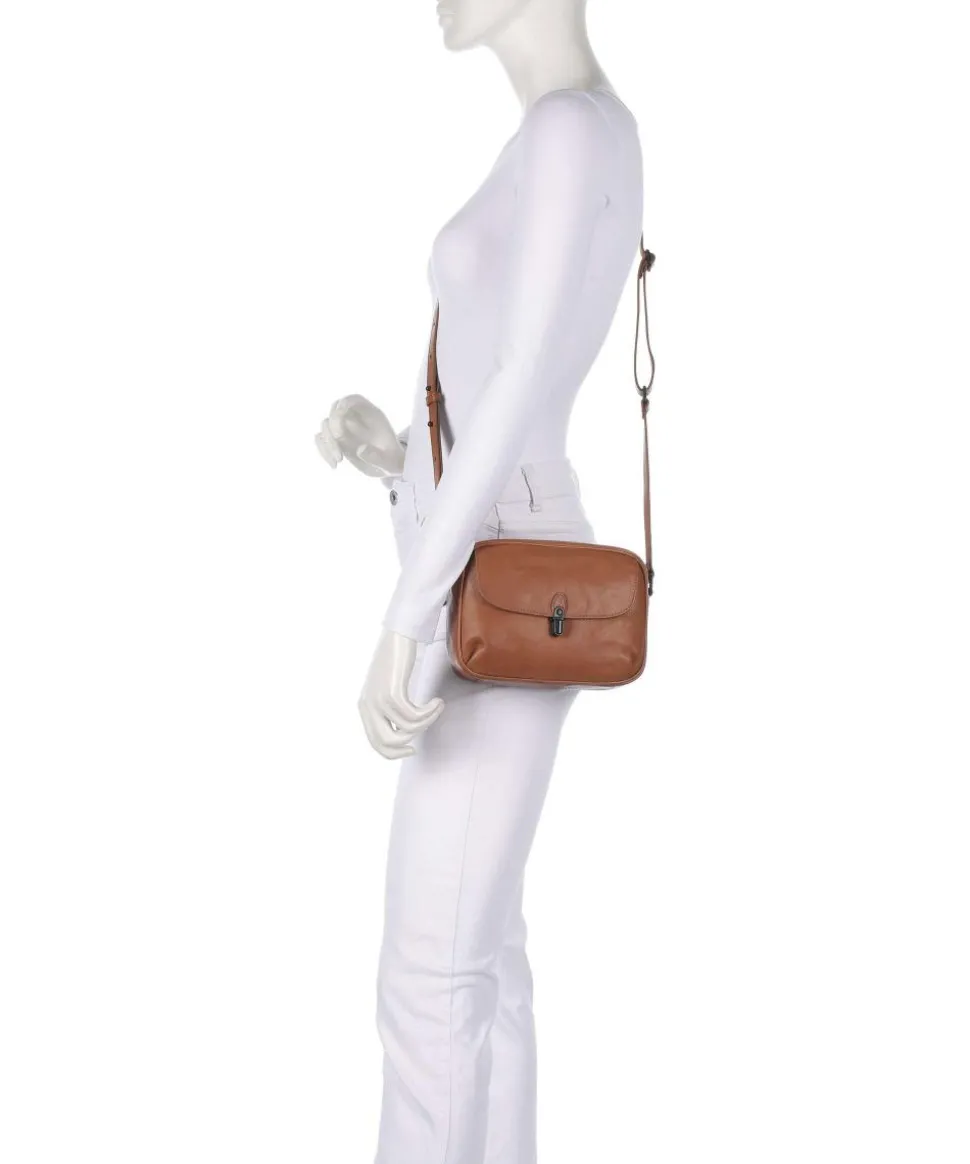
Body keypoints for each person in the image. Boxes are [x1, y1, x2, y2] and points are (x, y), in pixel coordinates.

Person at [315, 3, 644, 1159]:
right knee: (483, 962)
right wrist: (397, 455)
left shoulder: (568, 129)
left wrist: (407, 617)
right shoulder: (581, 128)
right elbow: (509, 388)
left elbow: (518, 375)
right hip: (494, 547)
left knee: (431, 980)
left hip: (488, 586)